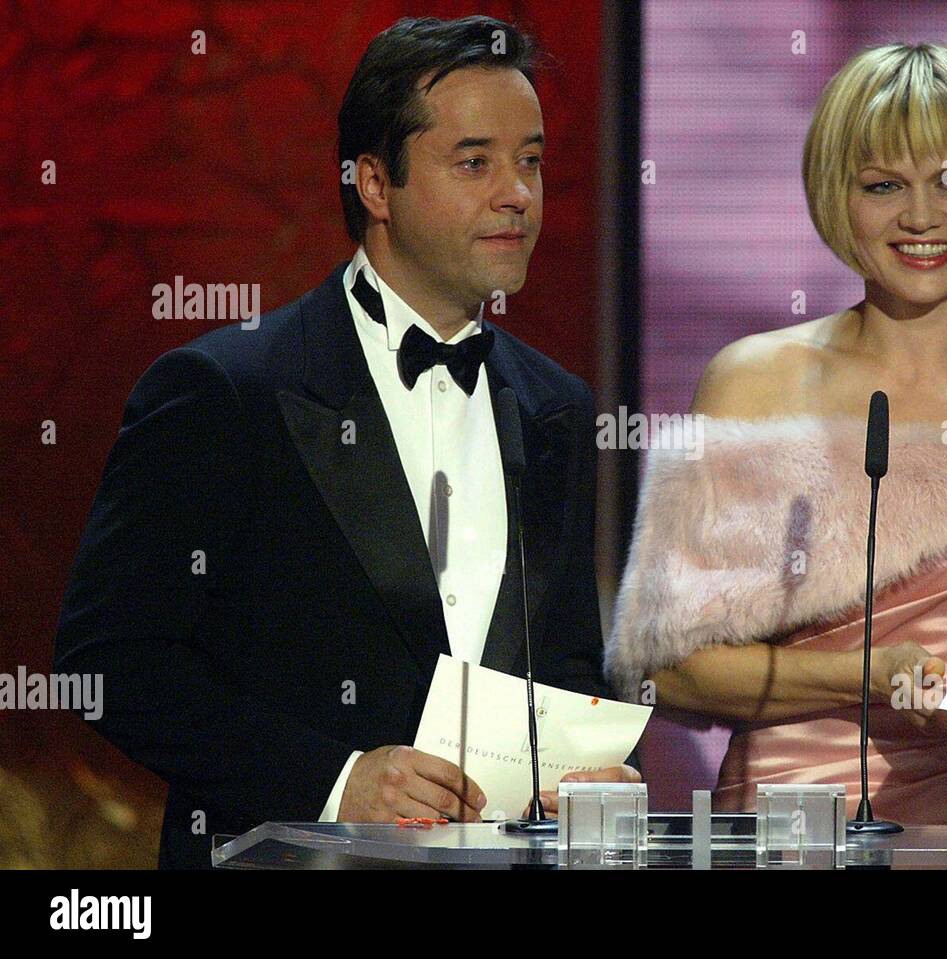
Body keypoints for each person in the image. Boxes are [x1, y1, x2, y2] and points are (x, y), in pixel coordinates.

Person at [54, 15, 636, 870]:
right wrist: (335, 779)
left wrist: (597, 772)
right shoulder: (225, 391)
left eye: (532, 160)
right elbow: (110, 664)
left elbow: (566, 666)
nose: (518, 192)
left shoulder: (556, 407)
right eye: (475, 161)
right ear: (374, 183)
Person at [606, 41, 947, 823]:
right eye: (884, 185)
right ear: (840, 197)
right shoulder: (752, 382)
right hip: (792, 831)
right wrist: (871, 675)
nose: (923, 216)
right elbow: (666, 667)